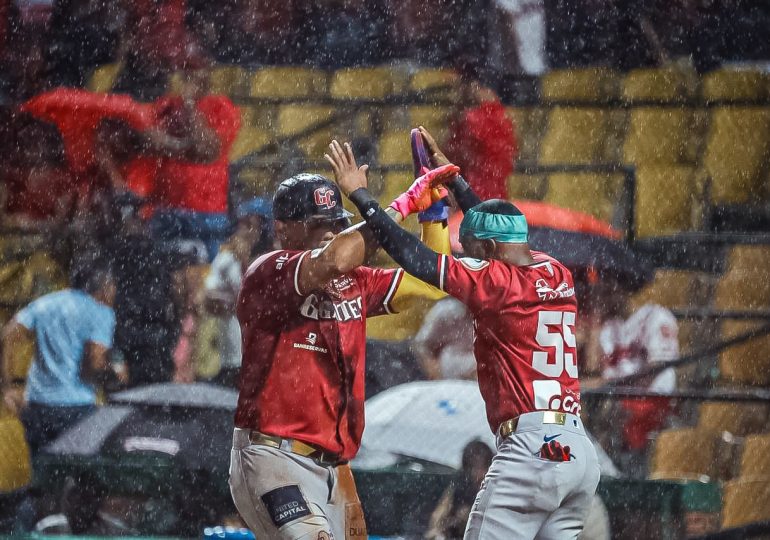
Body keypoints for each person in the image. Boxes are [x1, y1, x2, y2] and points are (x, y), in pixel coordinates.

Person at [332, 127, 600, 540]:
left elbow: (415, 258)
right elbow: (495, 233)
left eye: (473, 251)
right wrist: (455, 181)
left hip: (530, 449)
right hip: (577, 451)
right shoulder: (554, 269)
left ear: (488, 253)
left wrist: (362, 198)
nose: (468, 257)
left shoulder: (495, 280)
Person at [229, 148, 455, 540]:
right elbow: (334, 259)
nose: (331, 231)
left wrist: (433, 213)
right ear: (284, 230)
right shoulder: (267, 272)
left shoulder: (354, 281)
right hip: (273, 457)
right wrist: (398, 204)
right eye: (320, 225)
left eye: (337, 222)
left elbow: (429, 282)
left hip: (336, 467)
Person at [0, 259, 122, 455]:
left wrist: (8, 386)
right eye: (114, 285)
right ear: (105, 287)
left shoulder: (46, 303)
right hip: (77, 408)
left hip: (37, 406)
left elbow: (9, 335)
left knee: (43, 474)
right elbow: (94, 362)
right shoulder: (101, 312)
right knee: (79, 474)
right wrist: (115, 373)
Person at [148, 48, 240, 259]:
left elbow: (208, 149)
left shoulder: (222, 107)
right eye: (187, 69)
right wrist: (186, 147)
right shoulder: (166, 106)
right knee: (167, 277)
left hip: (207, 212)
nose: (191, 76)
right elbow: (152, 143)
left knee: (207, 279)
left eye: (197, 68)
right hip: (167, 210)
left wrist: (189, 106)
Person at [202, 197, 272, 387]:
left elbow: (261, 303)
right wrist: (234, 302)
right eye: (242, 224)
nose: (243, 231)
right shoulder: (226, 258)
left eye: (250, 225)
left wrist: (244, 261)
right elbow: (206, 298)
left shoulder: (275, 258)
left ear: (263, 230)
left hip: (262, 358)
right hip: (229, 356)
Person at [445, 59, 516, 201]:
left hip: (476, 193)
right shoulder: (500, 115)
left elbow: (454, 155)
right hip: (490, 194)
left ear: (473, 85)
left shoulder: (473, 118)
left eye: (459, 86)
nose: (456, 93)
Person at [427, 441, 495, 540]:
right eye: (473, 467)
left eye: (482, 466)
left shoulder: (496, 489)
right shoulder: (459, 488)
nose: (478, 473)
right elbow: (437, 522)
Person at [414, 297, 476, 380]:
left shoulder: (494, 315)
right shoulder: (446, 312)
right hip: (449, 378)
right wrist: (433, 371)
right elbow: (423, 345)